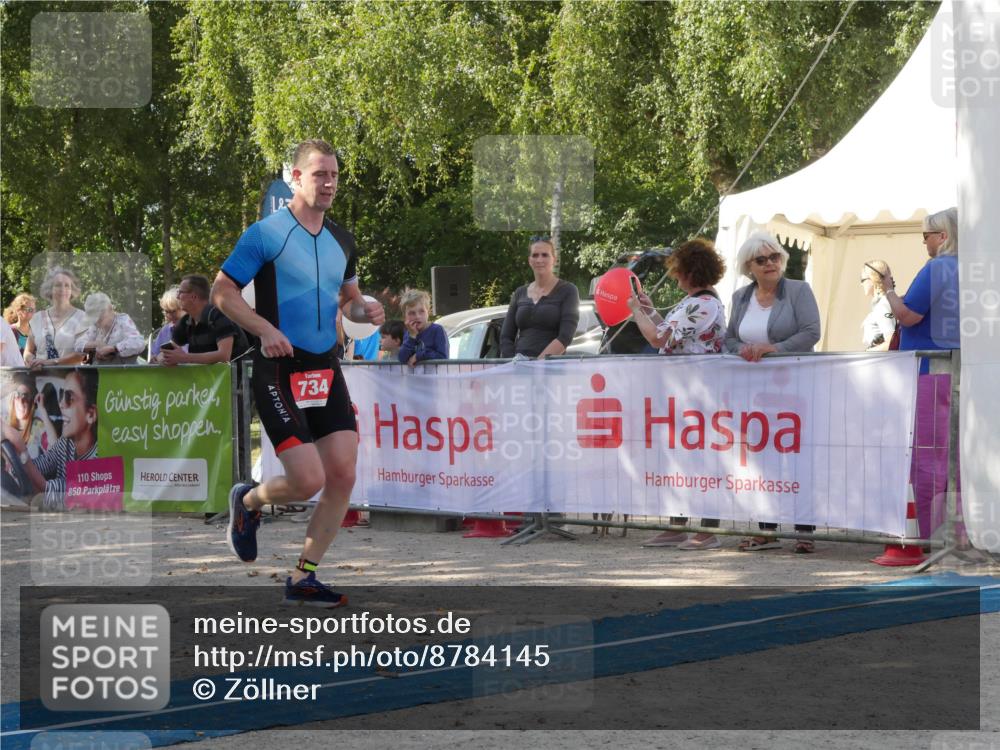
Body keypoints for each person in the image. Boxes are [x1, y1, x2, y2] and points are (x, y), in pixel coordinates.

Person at [211, 138, 384, 608]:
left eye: (333, 175)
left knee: (343, 475)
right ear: (295, 176)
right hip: (278, 368)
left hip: (324, 366)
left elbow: (349, 298)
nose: (328, 183)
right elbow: (222, 292)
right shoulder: (265, 234)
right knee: (307, 480)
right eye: (318, 174)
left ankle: (304, 576)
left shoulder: (342, 238)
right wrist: (264, 328)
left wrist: (367, 310)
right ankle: (248, 502)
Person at [725, 231, 821, 553]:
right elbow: (729, 339)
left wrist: (773, 349)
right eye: (762, 260)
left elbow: (811, 332)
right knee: (762, 460)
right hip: (754, 393)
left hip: (795, 388)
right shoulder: (740, 297)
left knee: (797, 459)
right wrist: (745, 350)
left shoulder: (798, 290)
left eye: (775, 257)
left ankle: (805, 531)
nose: (771, 264)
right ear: (748, 267)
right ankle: (766, 530)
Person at [628, 238, 727, 551]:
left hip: (698, 392)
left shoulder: (703, 304)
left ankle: (707, 530)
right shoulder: (694, 303)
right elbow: (671, 334)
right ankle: (676, 526)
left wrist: (636, 313)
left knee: (702, 462)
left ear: (688, 271)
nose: (675, 275)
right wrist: (649, 310)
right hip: (682, 391)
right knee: (680, 461)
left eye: (678, 270)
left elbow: (660, 339)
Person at [1, 368, 98, 510]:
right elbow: (42, 465)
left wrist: (21, 450)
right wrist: (14, 458)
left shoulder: (97, 459)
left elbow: (47, 489)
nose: (61, 404)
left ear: (90, 414)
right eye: (61, 396)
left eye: (69, 398)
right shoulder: (66, 443)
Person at [882, 208, 960, 374]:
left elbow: (908, 316)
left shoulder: (937, 267)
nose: (924, 242)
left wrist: (888, 290)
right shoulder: (966, 267)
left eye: (926, 236)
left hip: (928, 366)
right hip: (954, 362)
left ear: (943, 236)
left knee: (929, 401)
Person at [500, 236, 580, 359]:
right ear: (529, 260)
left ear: (554, 259)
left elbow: (565, 337)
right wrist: (514, 363)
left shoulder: (568, 291)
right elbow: (506, 336)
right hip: (519, 369)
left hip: (551, 369)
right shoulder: (519, 293)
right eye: (535, 255)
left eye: (545, 255)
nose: (539, 259)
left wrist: (537, 365)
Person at [161, 274, 249, 366]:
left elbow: (224, 356)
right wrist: (162, 358)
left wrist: (184, 357)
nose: (177, 297)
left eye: (180, 292)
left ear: (193, 297)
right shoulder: (186, 321)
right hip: (210, 379)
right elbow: (170, 347)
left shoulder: (219, 315)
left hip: (235, 378)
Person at [24, 267, 87, 368]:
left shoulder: (82, 318)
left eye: (67, 286)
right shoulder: (37, 318)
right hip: (39, 378)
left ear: (72, 290)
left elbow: (82, 355)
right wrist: (32, 361)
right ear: (50, 289)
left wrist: (51, 362)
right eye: (58, 285)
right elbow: (28, 351)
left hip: (71, 379)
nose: (63, 289)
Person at [74, 293, 146, 365]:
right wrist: (96, 346)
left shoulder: (123, 320)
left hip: (125, 373)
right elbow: (78, 345)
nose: (96, 321)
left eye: (100, 316)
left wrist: (113, 349)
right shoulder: (95, 327)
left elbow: (139, 343)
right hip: (101, 373)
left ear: (110, 308)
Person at [397, 289, 448, 365]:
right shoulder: (409, 332)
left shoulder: (437, 330)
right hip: (414, 376)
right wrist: (412, 336)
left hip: (434, 376)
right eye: (412, 313)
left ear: (428, 312)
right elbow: (402, 358)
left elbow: (443, 357)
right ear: (405, 316)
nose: (417, 316)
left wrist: (419, 356)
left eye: (422, 311)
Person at [859, 260, 896, 351]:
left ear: (873, 279)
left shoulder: (883, 305)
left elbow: (891, 343)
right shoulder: (882, 303)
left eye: (862, 280)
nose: (861, 284)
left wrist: (867, 352)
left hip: (882, 362)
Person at [149, 286, 187, 360]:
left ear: (185, 308)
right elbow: (153, 354)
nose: (169, 316)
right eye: (166, 311)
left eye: (173, 311)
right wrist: (155, 359)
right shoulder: (165, 330)